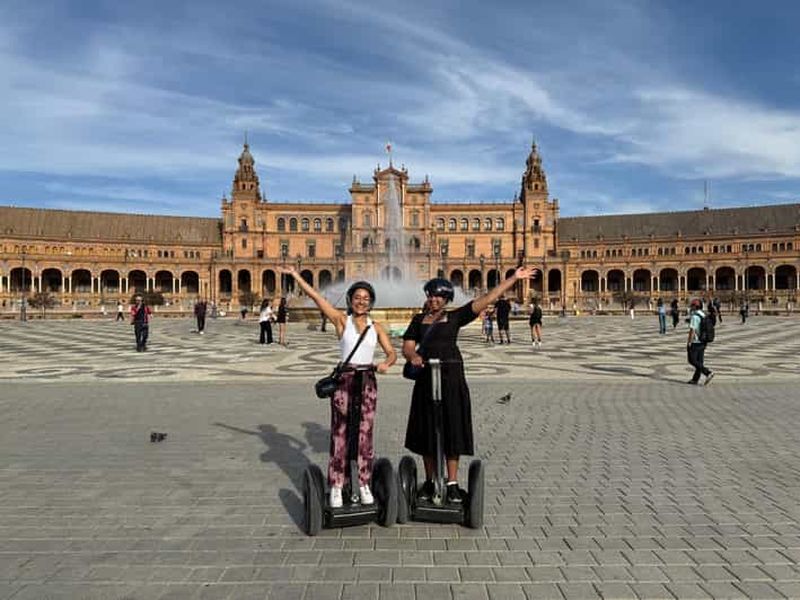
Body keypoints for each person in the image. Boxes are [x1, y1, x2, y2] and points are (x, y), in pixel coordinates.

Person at [402, 266, 538, 504]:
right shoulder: (418, 320)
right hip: (425, 377)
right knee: (426, 430)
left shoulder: (455, 317)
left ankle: (452, 483)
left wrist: (514, 278)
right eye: (431, 295)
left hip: (451, 377)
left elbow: (488, 298)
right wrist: (413, 356)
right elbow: (408, 345)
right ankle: (430, 480)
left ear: (447, 299)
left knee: (452, 427)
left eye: (439, 296)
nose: (434, 300)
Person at [280, 267, 396, 508]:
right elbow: (317, 297)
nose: (361, 301)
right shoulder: (342, 320)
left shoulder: (376, 327)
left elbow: (392, 352)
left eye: (366, 298)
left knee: (365, 433)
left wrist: (386, 363)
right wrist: (296, 275)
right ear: (350, 300)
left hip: (367, 380)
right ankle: (336, 484)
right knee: (340, 432)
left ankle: (363, 482)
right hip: (344, 379)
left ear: (371, 302)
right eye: (357, 297)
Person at [686, 298, 714, 385]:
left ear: (695, 306)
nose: (691, 307)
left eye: (692, 306)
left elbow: (692, 330)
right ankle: (695, 379)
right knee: (700, 361)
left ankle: (707, 373)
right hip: (703, 340)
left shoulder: (695, 316)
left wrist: (689, 342)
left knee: (692, 360)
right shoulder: (703, 314)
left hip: (696, 341)